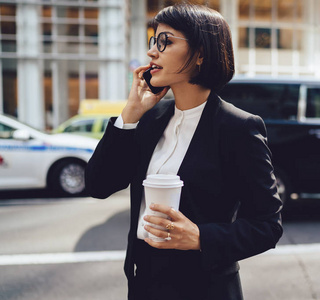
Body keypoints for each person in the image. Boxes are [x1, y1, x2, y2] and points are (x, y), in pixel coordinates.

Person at [85, 4, 283, 300]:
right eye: (154, 41)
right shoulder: (150, 118)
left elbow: (267, 226)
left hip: (205, 288)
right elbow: (99, 186)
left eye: (166, 41)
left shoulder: (238, 128)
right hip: (144, 285)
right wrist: (129, 116)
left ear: (201, 53)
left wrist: (201, 237)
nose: (153, 51)